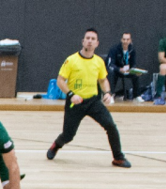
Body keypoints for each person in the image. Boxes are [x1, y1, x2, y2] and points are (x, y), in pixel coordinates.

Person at [46, 28, 131, 169]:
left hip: (93, 102)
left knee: (110, 126)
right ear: (83, 41)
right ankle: (56, 145)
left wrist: (108, 93)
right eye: (88, 38)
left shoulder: (98, 62)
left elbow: (103, 80)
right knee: (68, 135)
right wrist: (71, 95)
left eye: (93, 39)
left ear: (97, 43)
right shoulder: (71, 60)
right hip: (75, 103)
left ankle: (118, 158)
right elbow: (60, 81)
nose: (90, 41)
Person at [106, 32, 138, 101]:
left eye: (127, 39)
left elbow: (134, 63)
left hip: (127, 71)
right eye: (124, 39)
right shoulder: (114, 49)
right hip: (117, 70)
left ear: (130, 40)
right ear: (121, 40)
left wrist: (132, 69)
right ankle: (110, 95)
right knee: (111, 72)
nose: (125, 41)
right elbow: (110, 64)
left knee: (136, 74)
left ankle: (137, 95)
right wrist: (119, 69)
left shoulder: (132, 50)